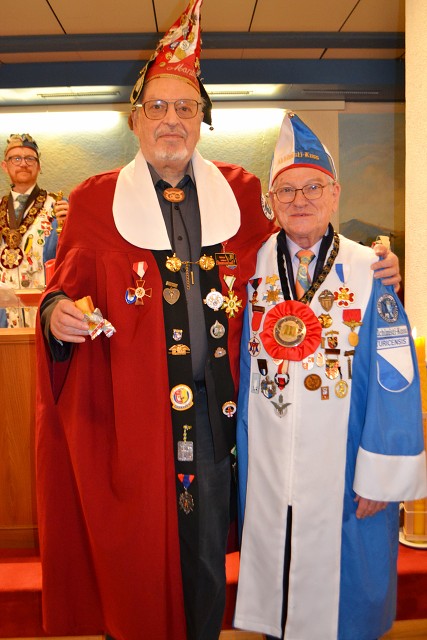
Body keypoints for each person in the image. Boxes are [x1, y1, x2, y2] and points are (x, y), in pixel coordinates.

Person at [34, 2, 401, 639]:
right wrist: (54, 314)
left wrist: (371, 263)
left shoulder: (240, 191)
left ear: (202, 119)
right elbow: (63, 288)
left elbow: (297, 248)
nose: (171, 120)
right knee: (135, 556)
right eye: (157, 106)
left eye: (185, 107)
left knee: (205, 554)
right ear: (135, 118)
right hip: (130, 422)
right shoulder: (94, 199)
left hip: (218, 420)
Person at [233, 112, 427, 640]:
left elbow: (396, 376)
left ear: (335, 194)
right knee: (279, 591)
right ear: (271, 203)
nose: (300, 200)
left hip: (345, 468)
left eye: (313, 187)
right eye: (287, 189)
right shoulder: (248, 269)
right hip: (269, 465)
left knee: (348, 603)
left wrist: (382, 476)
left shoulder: (371, 271)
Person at [0, 133, 68, 327]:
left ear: (39, 166)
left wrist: (72, 224)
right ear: (5, 166)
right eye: (16, 158)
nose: (23, 164)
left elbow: (73, 256)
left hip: (44, 304)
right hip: (4, 310)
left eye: (30, 158)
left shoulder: (59, 208)